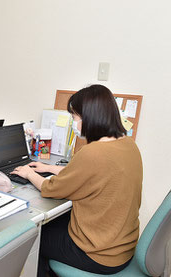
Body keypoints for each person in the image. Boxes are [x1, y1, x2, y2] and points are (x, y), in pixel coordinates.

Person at [11, 84, 143, 276]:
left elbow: (51, 188)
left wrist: (29, 173)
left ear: (89, 117)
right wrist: (49, 167)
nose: (74, 122)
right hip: (123, 248)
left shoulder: (92, 153)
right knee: (60, 220)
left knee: (34, 236)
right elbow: (90, 174)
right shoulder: (128, 145)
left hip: (98, 255)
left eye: (74, 117)